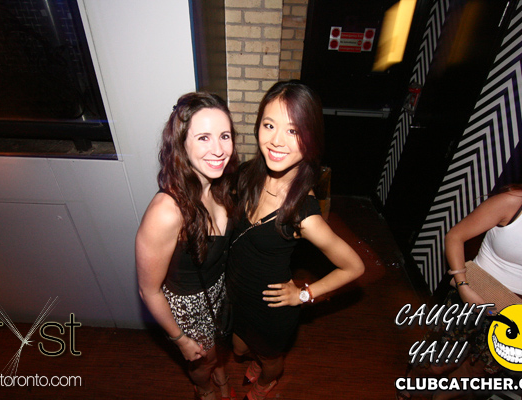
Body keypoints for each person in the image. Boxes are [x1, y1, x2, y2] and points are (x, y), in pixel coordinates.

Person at [226, 80, 365, 400]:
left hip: (270, 306)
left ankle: (266, 381)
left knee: (269, 360)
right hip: (237, 292)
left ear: (311, 138)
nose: (277, 140)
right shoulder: (247, 173)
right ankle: (257, 362)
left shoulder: (303, 214)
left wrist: (304, 294)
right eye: (269, 125)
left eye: (293, 131)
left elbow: (354, 267)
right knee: (238, 349)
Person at [401, 170, 522, 400]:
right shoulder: (518, 201)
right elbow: (455, 236)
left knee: (478, 371)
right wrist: (463, 286)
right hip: (475, 291)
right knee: (439, 363)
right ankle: (412, 384)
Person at [135, 92, 239, 400]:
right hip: (188, 308)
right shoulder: (166, 212)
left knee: (218, 349)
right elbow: (149, 291)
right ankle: (205, 389)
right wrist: (179, 339)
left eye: (224, 136)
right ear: (181, 145)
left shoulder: (220, 185)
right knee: (201, 362)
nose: (218, 149)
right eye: (204, 137)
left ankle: (220, 374)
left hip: (217, 291)